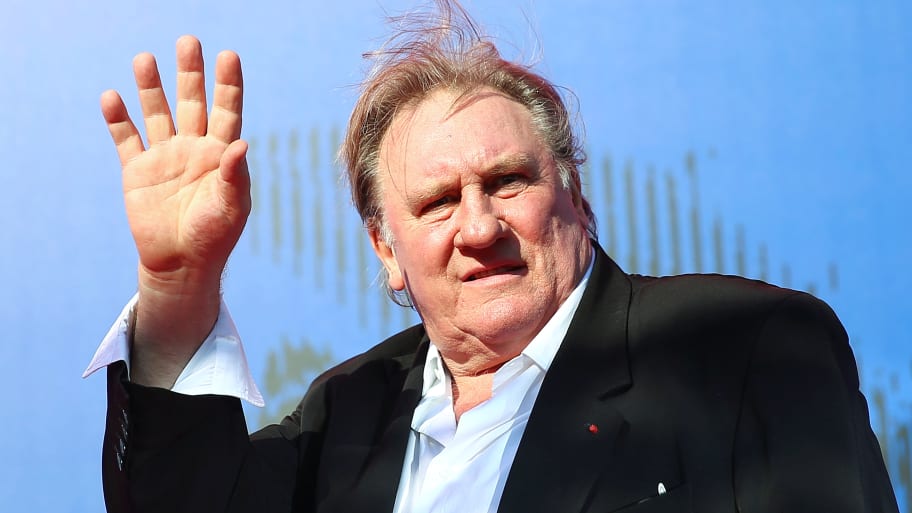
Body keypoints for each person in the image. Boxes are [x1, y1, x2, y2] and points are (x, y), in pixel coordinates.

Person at [85, 1, 898, 512]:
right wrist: (179, 284)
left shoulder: (742, 345)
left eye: (506, 181)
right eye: (437, 201)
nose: (478, 226)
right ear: (385, 249)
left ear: (575, 193)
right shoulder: (346, 413)